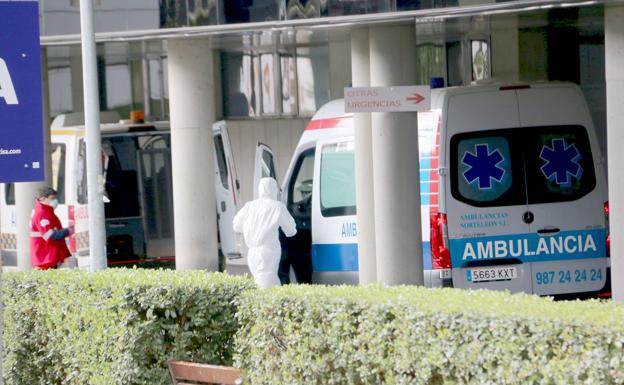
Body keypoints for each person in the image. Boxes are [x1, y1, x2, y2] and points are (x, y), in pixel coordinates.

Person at [233, 177, 297, 289]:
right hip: (268, 253)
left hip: (252, 253)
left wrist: (252, 227)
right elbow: (291, 230)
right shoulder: (277, 207)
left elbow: (236, 226)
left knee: (270, 283)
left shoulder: (249, 206)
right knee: (265, 286)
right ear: (274, 190)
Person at [30, 187, 72, 270]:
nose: (55, 201)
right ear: (43, 199)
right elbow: (49, 235)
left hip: (46, 255)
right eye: (52, 198)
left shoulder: (46, 211)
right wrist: (69, 231)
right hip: (45, 256)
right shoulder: (42, 213)